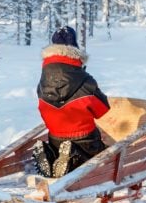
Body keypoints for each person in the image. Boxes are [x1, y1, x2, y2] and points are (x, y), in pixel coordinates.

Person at [33, 26, 110, 178]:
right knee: (102, 155)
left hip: (55, 138)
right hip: (86, 140)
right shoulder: (85, 81)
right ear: (75, 50)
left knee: (60, 143)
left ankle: (52, 155)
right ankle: (72, 156)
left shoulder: (42, 83)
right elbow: (102, 110)